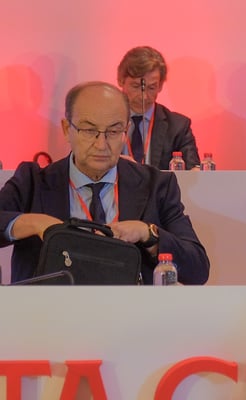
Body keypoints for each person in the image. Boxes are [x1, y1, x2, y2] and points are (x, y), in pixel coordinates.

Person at [0, 81, 210, 284]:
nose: (101, 144)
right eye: (89, 130)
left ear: (126, 131)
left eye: (113, 131)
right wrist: (37, 224)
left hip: (129, 306)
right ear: (66, 129)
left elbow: (198, 269)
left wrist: (148, 233)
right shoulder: (33, 182)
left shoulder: (156, 185)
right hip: (49, 306)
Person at [117, 46, 201, 170]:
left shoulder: (178, 127)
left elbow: (193, 170)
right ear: (121, 81)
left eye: (151, 88)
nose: (144, 96)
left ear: (160, 86)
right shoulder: (102, 121)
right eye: (135, 86)